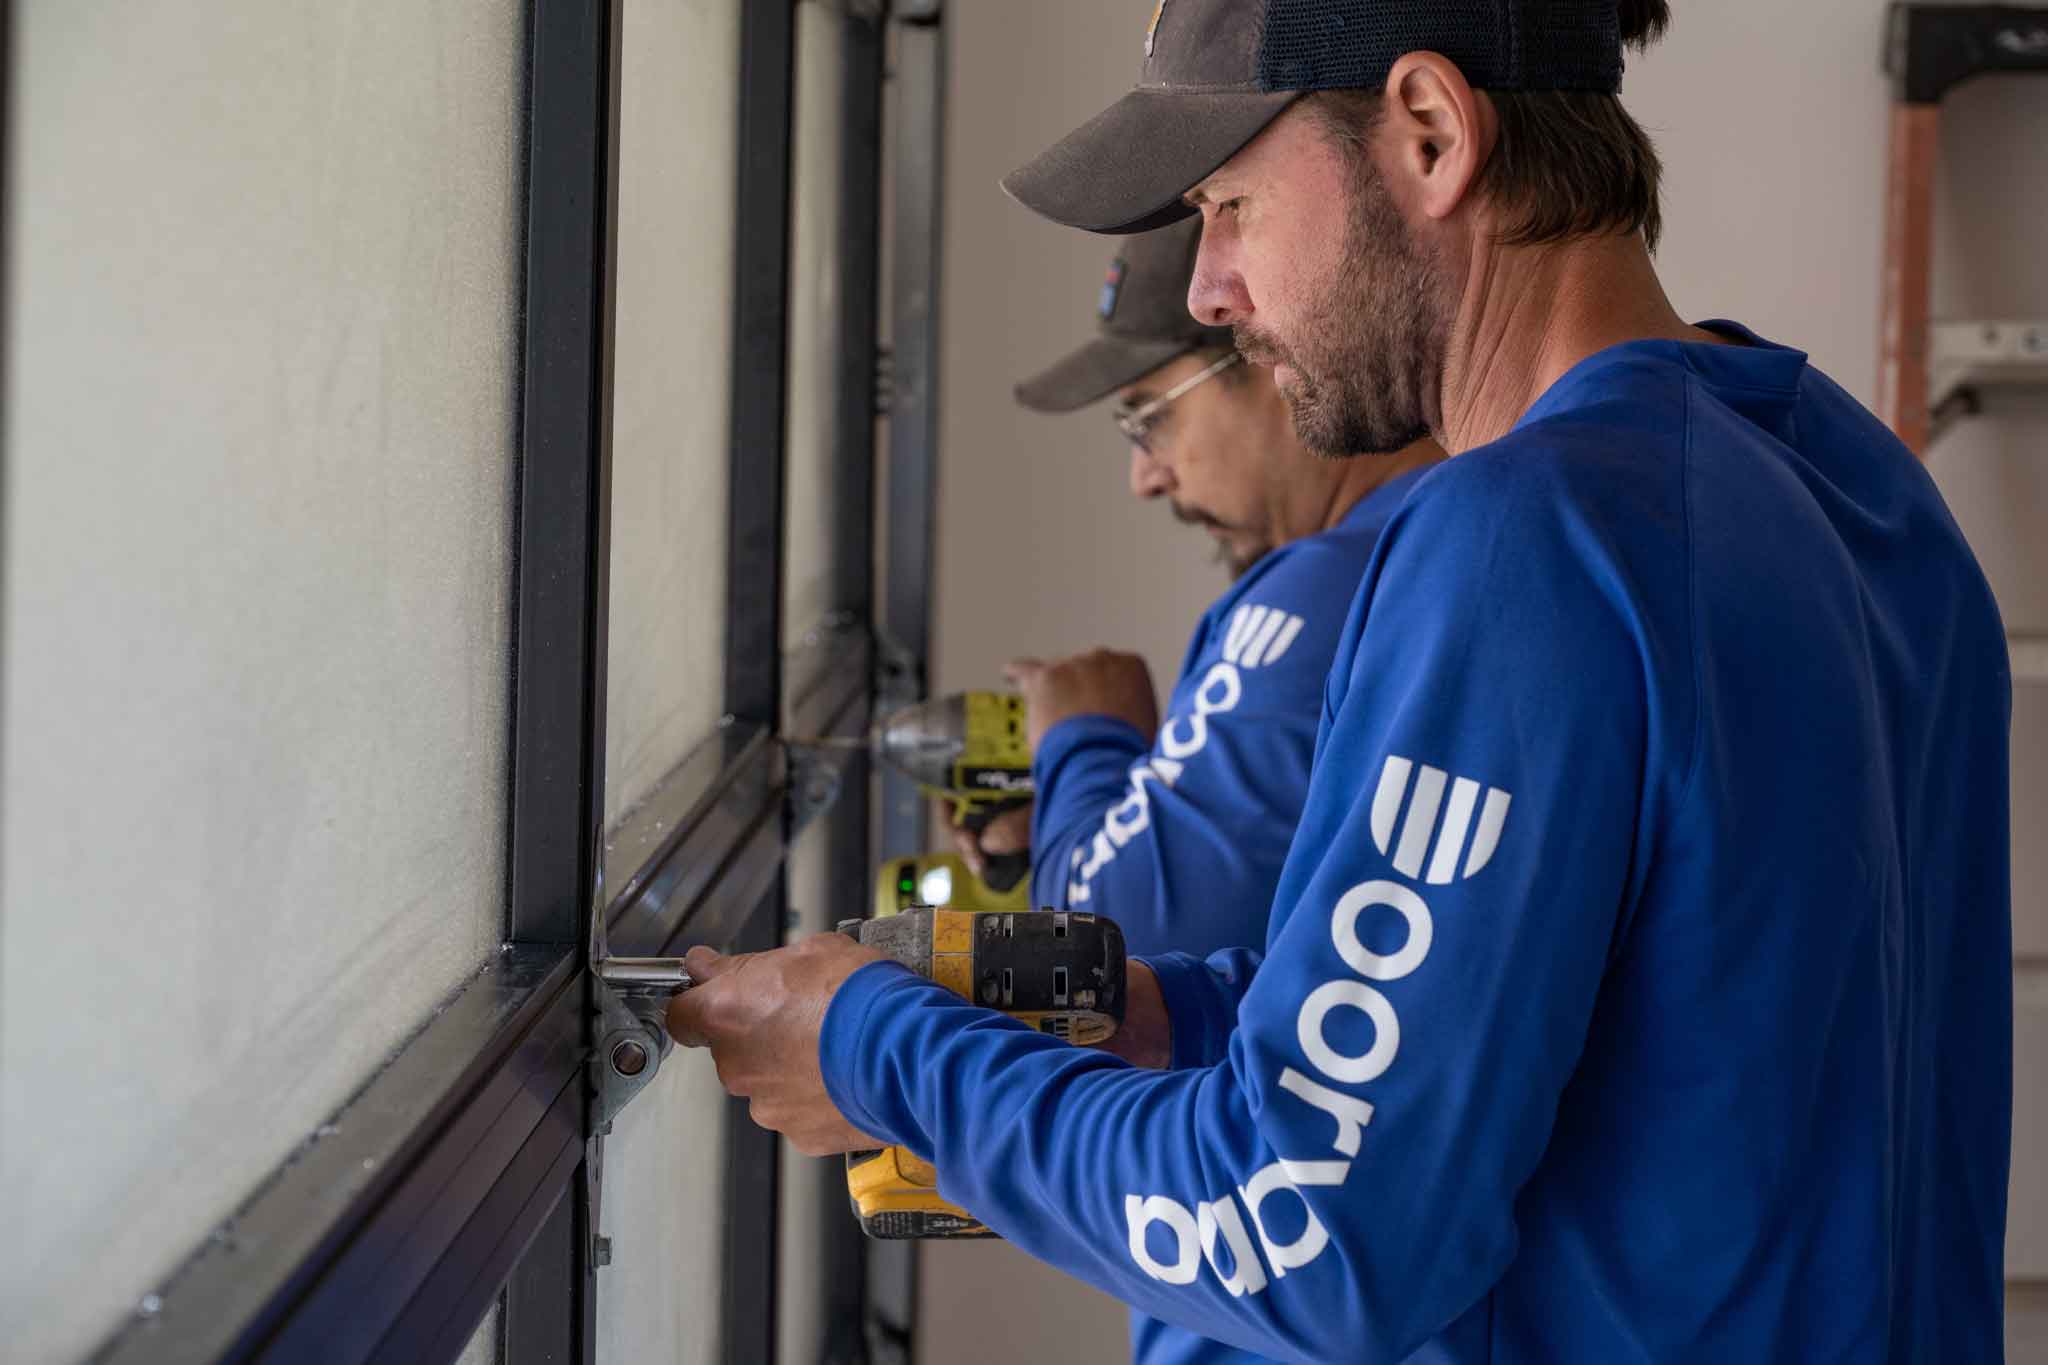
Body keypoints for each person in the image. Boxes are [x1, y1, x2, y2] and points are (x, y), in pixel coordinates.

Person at [671, 3, 2014, 1360]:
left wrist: (875, 1055)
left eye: (1231, 203)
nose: (1205, 288)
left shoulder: (1528, 539)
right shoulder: (1857, 483)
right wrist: (1162, 1012)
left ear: (1431, 135)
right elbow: (1620, 1010)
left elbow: (1297, 1231)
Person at [988, 218, 1437, 1365]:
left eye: (1149, 415)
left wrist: (1085, 738)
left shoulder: (1324, 582)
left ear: (1271, 357)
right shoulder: (1413, 553)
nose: (1144, 473)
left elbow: (1099, 944)